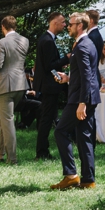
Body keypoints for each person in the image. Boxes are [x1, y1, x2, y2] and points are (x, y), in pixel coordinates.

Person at [51, 12, 100, 190]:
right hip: (88, 97)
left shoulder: (81, 47)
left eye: (70, 24)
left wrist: (82, 103)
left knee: (60, 131)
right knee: (83, 137)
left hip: (81, 98)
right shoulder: (89, 44)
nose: (68, 27)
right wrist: (68, 78)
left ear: (80, 26)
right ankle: (88, 180)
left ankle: (71, 175)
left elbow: (88, 76)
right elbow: (84, 74)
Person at [0, 15, 30, 164]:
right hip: (21, 85)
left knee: (7, 121)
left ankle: (12, 159)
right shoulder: (25, 41)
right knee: (4, 121)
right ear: (15, 26)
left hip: (6, 87)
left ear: (3, 27)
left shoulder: (1, 43)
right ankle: (0, 154)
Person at [32, 13, 69, 161]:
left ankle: (43, 150)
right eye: (62, 22)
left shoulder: (45, 39)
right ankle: (41, 152)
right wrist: (66, 58)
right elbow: (49, 66)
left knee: (48, 117)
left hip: (47, 85)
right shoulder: (47, 41)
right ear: (54, 23)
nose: (65, 25)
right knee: (46, 119)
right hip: (48, 86)